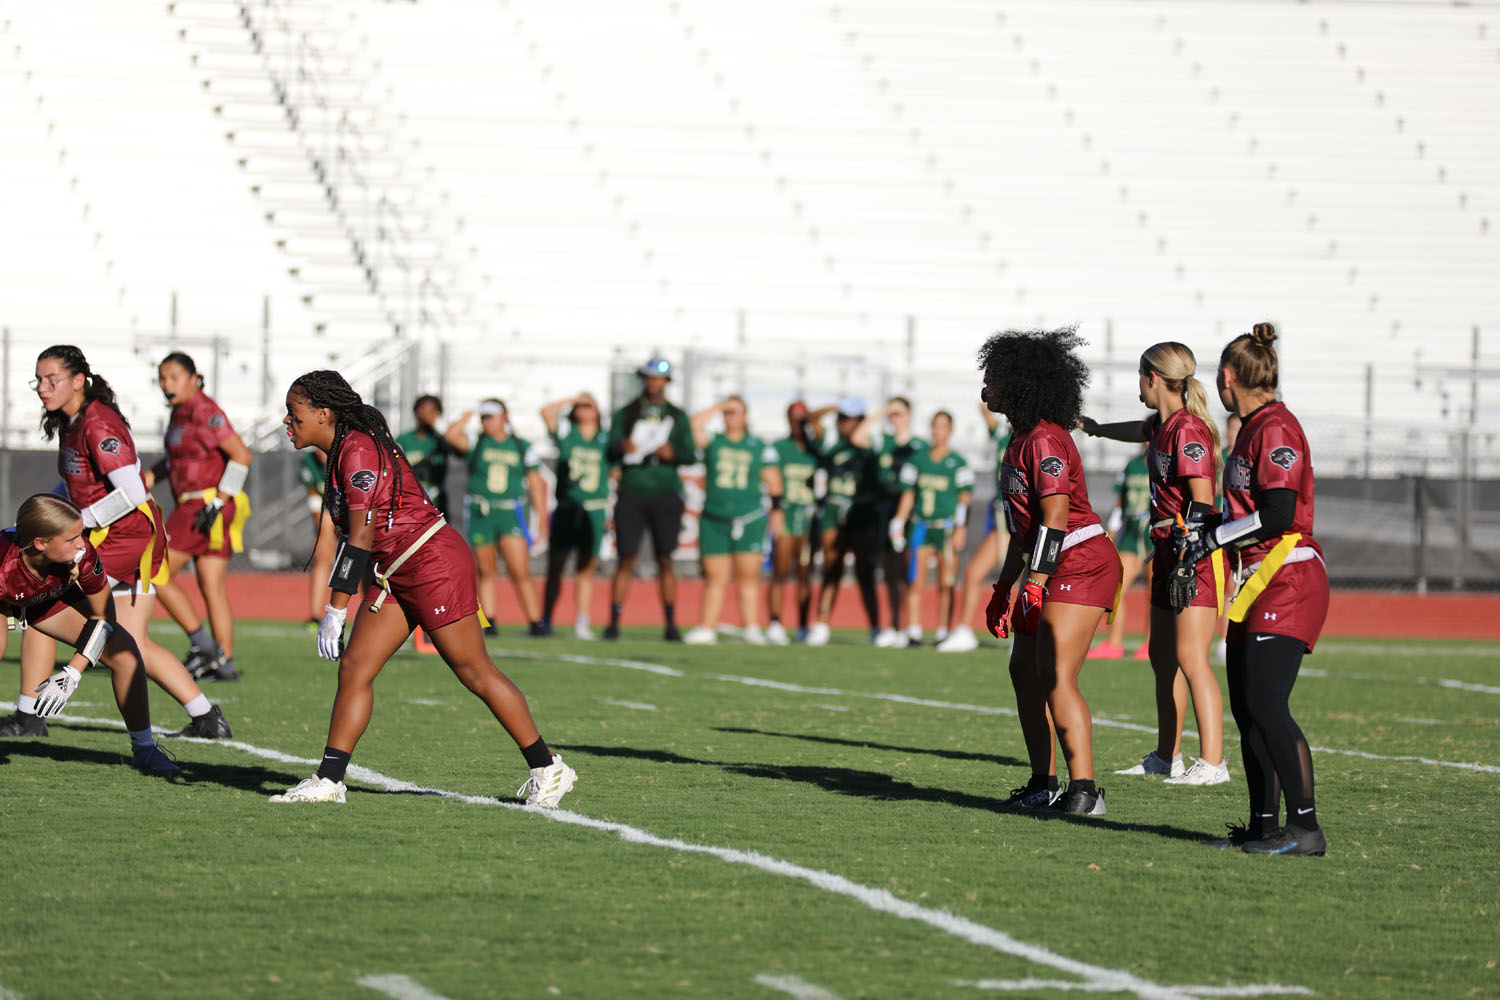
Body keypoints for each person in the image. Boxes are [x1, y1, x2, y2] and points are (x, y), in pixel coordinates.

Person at [271, 370, 576, 805]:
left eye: (293, 412)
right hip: (394, 570)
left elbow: (359, 537)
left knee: (474, 671)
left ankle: (548, 767)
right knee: (356, 668)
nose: (287, 421)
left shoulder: (357, 450)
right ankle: (330, 779)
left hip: (431, 563)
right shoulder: (345, 449)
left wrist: (335, 609)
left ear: (323, 413)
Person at [0, 346, 232, 741]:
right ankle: (206, 716)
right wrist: (38, 519)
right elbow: (75, 487)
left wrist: (73, 524)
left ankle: (29, 717)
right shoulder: (72, 421)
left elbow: (133, 492)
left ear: (77, 381)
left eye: (51, 379)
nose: (42, 388)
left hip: (126, 538)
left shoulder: (97, 424)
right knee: (129, 642)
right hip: (106, 535)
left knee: (47, 604)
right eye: (38, 380)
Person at [1177, 323, 1328, 854]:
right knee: (1247, 708)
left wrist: (1214, 536)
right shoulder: (1252, 428)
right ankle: (1263, 826)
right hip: (1256, 578)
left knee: (1267, 704)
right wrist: (1209, 528)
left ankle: (1305, 827)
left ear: (1228, 377)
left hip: (1287, 577)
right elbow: (1250, 511)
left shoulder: (1276, 428)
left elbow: (1280, 513)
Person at [980, 328, 1122, 815]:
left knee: (1057, 674)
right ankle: (1043, 780)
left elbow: (1057, 517)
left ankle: (1086, 790)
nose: (985, 386)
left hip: (1079, 561)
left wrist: (1035, 582)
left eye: (994, 378)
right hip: (1047, 560)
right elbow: (1024, 531)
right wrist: (1003, 587)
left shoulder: (1044, 438)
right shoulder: (1018, 439)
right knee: (1024, 671)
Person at [1082, 342, 1230, 787]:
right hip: (1165, 547)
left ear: (1153, 378)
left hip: (1191, 549)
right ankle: (1168, 757)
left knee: (1191, 657)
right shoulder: (1163, 425)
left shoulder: (1187, 429)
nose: (1138, 385)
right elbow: (1139, 430)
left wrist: (1189, 553)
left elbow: (1203, 499)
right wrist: (1097, 429)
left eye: (1140, 377)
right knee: (1163, 658)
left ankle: (1214, 763)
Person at [0, 494, 177, 771]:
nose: (82, 543)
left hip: (46, 600)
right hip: (4, 598)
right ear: (40, 543)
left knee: (125, 651)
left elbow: (104, 616)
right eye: (71, 539)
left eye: (81, 534)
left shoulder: (81, 554)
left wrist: (72, 673)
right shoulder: (3, 565)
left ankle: (144, 750)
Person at [144, 352, 251, 682]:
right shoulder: (180, 413)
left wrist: (219, 501)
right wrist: (148, 477)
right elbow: (177, 459)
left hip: (203, 506)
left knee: (154, 570)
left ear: (194, 378)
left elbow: (241, 456)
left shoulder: (205, 410)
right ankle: (225, 660)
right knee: (211, 587)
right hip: (199, 505)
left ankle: (204, 646)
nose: (167, 384)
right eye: (163, 378)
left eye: (174, 377)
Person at [602, 357, 696, 641]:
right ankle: (614, 621)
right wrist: (622, 446)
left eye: (659, 379)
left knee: (666, 558)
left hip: (665, 491)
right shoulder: (627, 413)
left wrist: (673, 454)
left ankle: (670, 622)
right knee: (626, 557)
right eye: (649, 377)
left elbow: (690, 453)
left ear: (667, 383)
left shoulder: (677, 416)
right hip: (632, 490)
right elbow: (609, 451)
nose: (653, 383)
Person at [683, 397, 784, 645]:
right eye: (727, 413)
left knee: (748, 575)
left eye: (735, 412)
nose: (730, 417)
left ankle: (751, 626)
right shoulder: (715, 441)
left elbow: (774, 482)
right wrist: (718, 406)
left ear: (746, 415)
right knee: (714, 576)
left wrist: (778, 512)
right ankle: (707, 626)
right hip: (715, 518)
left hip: (748, 517)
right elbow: (693, 425)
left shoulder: (757, 445)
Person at [444, 399, 549, 637]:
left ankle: (535, 621)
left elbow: (535, 482)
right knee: (486, 569)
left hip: (510, 512)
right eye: (484, 417)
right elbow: (451, 435)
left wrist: (542, 520)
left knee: (519, 569)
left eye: (491, 416)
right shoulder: (477, 442)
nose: (486, 422)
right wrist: (468, 414)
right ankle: (488, 620)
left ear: (504, 417)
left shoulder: (520, 446)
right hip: (483, 512)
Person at [804, 398, 885, 646]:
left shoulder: (871, 441)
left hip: (861, 513)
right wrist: (836, 406)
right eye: (843, 419)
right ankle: (821, 623)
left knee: (865, 572)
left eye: (852, 419)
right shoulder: (831, 443)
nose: (846, 424)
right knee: (831, 569)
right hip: (834, 511)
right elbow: (810, 419)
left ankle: (875, 627)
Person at [890, 410, 973, 647]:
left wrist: (960, 528)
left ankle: (943, 631)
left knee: (946, 581)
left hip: (945, 526)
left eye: (943, 427)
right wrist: (898, 522)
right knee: (915, 578)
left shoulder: (958, 462)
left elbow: (964, 498)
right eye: (935, 426)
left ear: (950, 430)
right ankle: (914, 629)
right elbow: (908, 494)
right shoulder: (918, 459)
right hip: (921, 525)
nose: (938, 432)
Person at [937, 405, 1011, 653]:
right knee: (973, 572)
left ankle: (1026, 635)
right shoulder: (1004, 436)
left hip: (1023, 520)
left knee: (1027, 582)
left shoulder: (1035, 439)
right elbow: (987, 415)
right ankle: (965, 630)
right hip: (1002, 517)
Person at [539, 393, 609, 639]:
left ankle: (582, 621)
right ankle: (546, 618)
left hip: (594, 509)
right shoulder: (568, 435)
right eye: (580, 406)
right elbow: (546, 411)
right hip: (568, 507)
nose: (584, 409)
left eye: (589, 406)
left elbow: (617, 473)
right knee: (555, 566)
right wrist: (572, 399)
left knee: (586, 569)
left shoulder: (605, 438)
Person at [863, 397, 923, 647]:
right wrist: (883, 410)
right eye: (893, 414)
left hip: (912, 515)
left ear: (909, 415)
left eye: (900, 413)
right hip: (886, 514)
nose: (895, 418)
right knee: (890, 571)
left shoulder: (919, 446)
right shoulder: (883, 442)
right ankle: (894, 624)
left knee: (910, 572)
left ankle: (912, 626)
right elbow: (858, 436)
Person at [1086, 446, 1153, 661]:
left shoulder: (1165, 463)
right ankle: (1114, 643)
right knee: (1117, 586)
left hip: (1155, 531)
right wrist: (1112, 531)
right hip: (1132, 531)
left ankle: (1152, 643)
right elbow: (1120, 501)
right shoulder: (1132, 465)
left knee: (1154, 592)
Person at [765, 402, 819, 644]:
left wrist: (810, 418)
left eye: (802, 419)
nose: (798, 423)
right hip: (787, 515)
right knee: (781, 570)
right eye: (794, 418)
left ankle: (803, 624)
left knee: (805, 573)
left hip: (808, 519)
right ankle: (775, 621)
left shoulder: (816, 449)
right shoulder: (779, 448)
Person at [300, 447, 339, 631]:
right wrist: (324, 526)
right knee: (322, 559)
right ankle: (315, 615)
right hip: (328, 515)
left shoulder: (345, 457)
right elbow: (314, 497)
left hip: (353, 513)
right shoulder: (309, 461)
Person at [395, 394, 453, 520]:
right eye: (422, 409)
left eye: (431, 411)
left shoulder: (441, 439)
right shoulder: (404, 439)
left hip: (436, 500)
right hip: (410, 500)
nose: (425, 414)